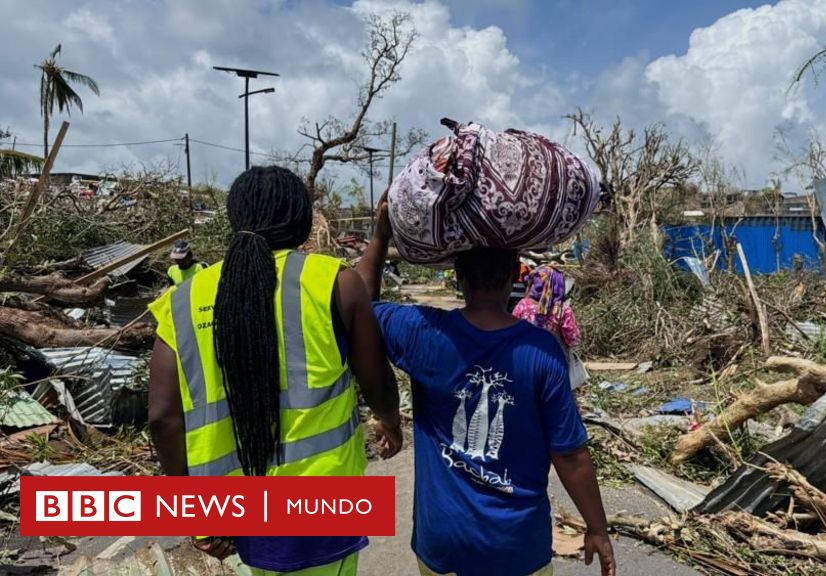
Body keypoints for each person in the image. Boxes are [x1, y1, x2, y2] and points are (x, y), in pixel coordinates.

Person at [147, 166, 402, 575]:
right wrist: (391, 421)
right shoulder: (331, 281)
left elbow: (163, 420)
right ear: (301, 220)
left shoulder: (182, 301)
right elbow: (378, 383)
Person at [356, 199, 616, 576]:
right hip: (516, 546)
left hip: (443, 541)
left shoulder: (423, 332)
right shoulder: (540, 351)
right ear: (516, 274)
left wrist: (380, 235)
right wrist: (597, 529)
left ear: (458, 274)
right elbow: (571, 457)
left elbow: (360, 307)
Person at [511, 265, 588, 389]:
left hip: (526, 361)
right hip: (555, 363)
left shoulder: (523, 305)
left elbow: (512, 333)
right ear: (557, 284)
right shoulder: (562, 309)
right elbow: (574, 339)